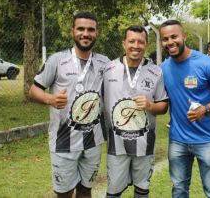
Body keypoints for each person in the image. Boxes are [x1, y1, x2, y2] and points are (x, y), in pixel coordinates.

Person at [29, 11, 110, 198]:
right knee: (64, 194)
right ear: (72, 31)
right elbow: (34, 90)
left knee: (85, 191)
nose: (85, 33)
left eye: (91, 29)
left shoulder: (104, 63)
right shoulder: (57, 60)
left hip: (93, 141)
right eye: (80, 28)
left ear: (96, 33)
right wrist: (50, 99)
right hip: (63, 141)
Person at [159, 20, 210, 198]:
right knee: (179, 190)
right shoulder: (163, 68)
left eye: (174, 36)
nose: (170, 42)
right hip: (178, 141)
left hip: (207, 140)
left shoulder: (206, 63)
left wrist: (205, 110)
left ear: (184, 36)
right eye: (165, 39)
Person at [103, 25, 168, 198]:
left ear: (146, 45)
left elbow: (163, 106)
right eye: (131, 41)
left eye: (140, 42)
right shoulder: (108, 69)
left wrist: (151, 106)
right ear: (124, 43)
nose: (136, 45)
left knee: (141, 192)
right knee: (113, 192)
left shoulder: (156, 72)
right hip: (116, 143)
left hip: (144, 142)